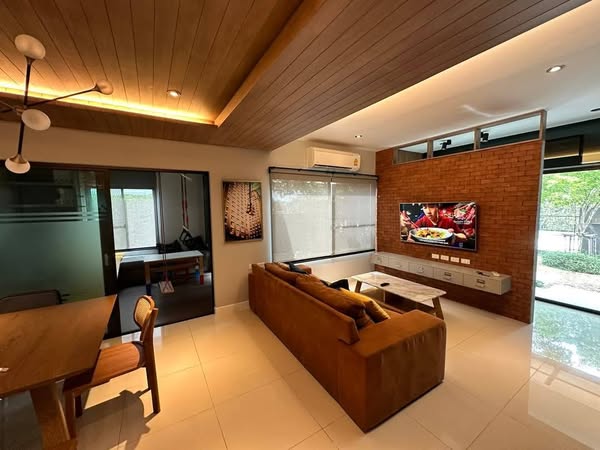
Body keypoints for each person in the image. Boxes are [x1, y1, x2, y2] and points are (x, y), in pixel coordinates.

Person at [401, 203, 467, 244]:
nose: (428, 211)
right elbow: (414, 230)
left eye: (431, 206)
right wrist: (408, 226)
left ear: (437, 207)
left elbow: (464, 238)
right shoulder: (423, 220)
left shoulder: (448, 221)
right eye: (424, 207)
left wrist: (454, 236)